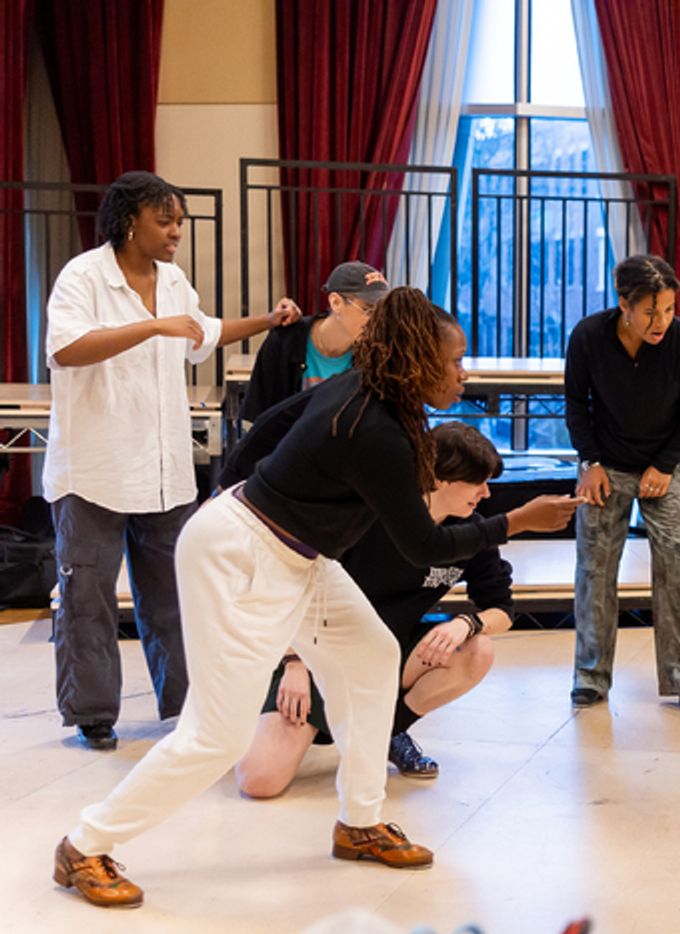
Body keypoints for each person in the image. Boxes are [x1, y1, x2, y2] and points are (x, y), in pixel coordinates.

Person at [52, 288, 580, 909]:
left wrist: (230, 490)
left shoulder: (376, 394)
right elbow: (422, 543)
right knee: (216, 737)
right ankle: (84, 844)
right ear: (416, 357)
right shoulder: (373, 426)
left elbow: (271, 425)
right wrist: (518, 520)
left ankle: (359, 822)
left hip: (297, 554)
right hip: (242, 558)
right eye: (455, 360)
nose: (464, 372)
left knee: (373, 657)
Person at [45, 170, 301, 752]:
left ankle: (188, 708)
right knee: (87, 598)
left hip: (163, 472)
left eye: (179, 222)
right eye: (165, 221)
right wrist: (152, 324)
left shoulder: (175, 279)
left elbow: (201, 332)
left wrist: (267, 320)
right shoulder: (83, 276)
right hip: (92, 470)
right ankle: (92, 714)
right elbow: (65, 349)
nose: (175, 233)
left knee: (175, 596)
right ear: (129, 221)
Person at [230, 420, 527, 793]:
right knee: (259, 782)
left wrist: (465, 624)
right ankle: (264, 714)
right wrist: (294, 663)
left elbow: (502, 609)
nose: (486, 493)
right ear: (439, 479)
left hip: (386, 656)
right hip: (315, 655)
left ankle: (384, 732)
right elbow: (292, 586)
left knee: (476, 650)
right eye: (477, 482)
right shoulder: (367, 514)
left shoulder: (474, 530)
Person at [564, 255, 680, 719]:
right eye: (650, 311)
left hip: (665, 467)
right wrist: (590, 461)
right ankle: (590, 676)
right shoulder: (589, 336)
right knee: (595, 568)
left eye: (669, 310)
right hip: (605, 465)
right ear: (623, 302)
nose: (661, 321)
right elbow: (575, 401)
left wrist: (666, 465)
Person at [239, 260, 389, 423]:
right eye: (369, 311)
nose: (377, 321)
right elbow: (257, 418)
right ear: (336, 303)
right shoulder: (284, 342)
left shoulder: (378, 354)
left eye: (382, 312)